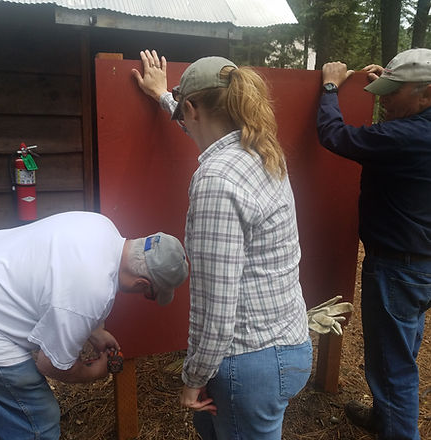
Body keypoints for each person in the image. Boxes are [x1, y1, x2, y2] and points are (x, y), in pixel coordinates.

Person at [132, 49, 312, 439]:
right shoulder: (261, 148)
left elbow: (216, 304)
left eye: (183, 110)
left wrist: (193, 377)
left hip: (250, 362)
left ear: (193, 107)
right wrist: (164, 95)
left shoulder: (216, 180)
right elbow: (199, 128)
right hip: (288, 341)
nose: (182, 118)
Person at [0, 210, 188, 439]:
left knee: (11, 411)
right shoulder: (93, 292)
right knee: (36, 418)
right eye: (151, 294)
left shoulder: (101, 225)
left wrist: (94, 332)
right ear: (142, 283)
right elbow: (51, 365)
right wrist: (93, 372)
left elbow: (61, 285)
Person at [317, 48, 431, 440]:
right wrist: (392, 79)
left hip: (398, 268)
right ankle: (385, 418)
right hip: (420, 264)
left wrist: (330, 86)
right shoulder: (421, 126)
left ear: (426, 94)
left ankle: (397, 431)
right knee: (399, 354)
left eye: (392, 92)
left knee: (392, 366)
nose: (382, 100)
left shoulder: (406, 135)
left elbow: (334, 135)